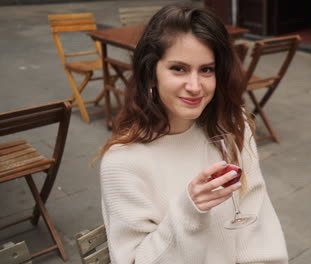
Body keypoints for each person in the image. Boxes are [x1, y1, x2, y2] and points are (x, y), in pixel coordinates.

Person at [99, 5, 288, 264]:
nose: (195, 86)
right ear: (151, 74)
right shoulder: (123, 162)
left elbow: (258, 225)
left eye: (206, 70)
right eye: (178, 68)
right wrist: (189, 210)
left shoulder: (234, 127)